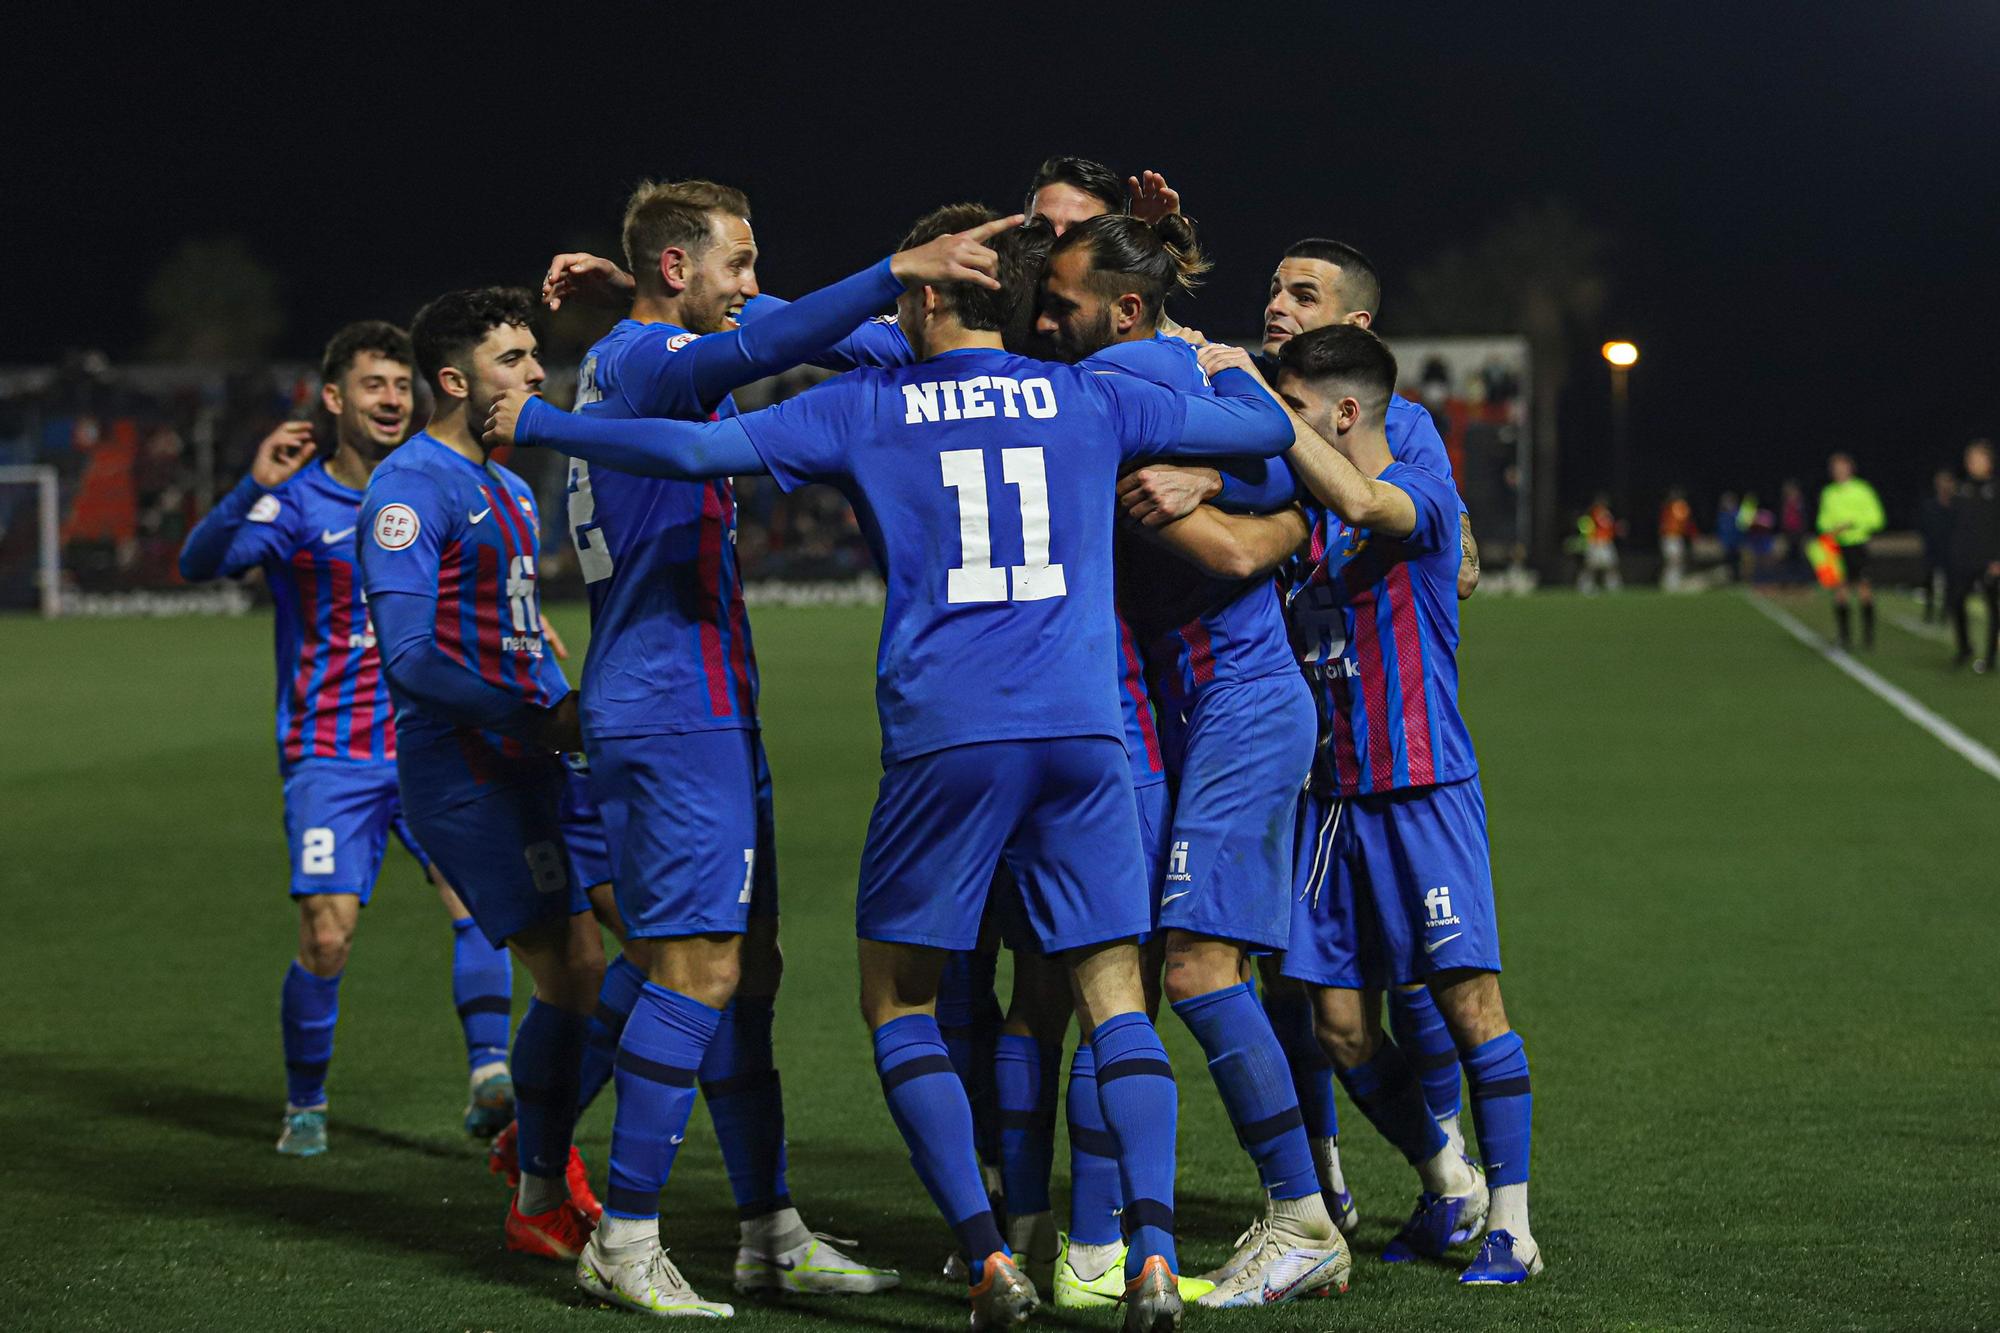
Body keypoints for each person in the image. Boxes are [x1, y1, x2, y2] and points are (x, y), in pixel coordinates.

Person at [489, 201, 1298, 1333]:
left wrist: (543, 422)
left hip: (945, 738)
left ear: (922, 294)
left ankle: (984, 1261)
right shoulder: (1092, 393)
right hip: (1080, 731)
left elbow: (690, 444)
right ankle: (1150, 1257)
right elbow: (1260, 440)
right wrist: (1229, 370)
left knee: (896, 998)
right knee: (1115, 994)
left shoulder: (870, 404)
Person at [539, 180, 1022, 1314]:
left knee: (745, 976)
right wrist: (897, 271)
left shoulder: (633, 355)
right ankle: (626, 1235)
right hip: (670, 709)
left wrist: (654, 293)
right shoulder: (653, 364)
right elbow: (788, 336)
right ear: (676, 270)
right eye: (739, 261)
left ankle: (765, 1226)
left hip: (699, 702)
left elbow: (790, 336)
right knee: (694, 971)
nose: (753, 284)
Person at [1143, 325, 1539, 1284]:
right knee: (1339, 1026)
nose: (1272, 424)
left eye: (1292, 407)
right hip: (1328, 799)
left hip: (1420, 786)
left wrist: (1249, 392)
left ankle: (1514, 1228)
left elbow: (1364, 497)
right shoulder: (1307, 515)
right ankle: (1448, 1178)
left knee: (1469, 1002)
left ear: (1345, 413)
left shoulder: (1417, 491)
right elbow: (1274, 519)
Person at [1114, 235, 1477, 1213]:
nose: (1274, 302)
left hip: (1382, 742)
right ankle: (1324, 1178)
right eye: (1271, 284)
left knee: (1404, 982)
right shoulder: (1242, 395)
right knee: (1293, 987)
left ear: (1354, 329)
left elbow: (1443, 548)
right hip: (1280, 730)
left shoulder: (1397, 428)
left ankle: (1442, 1170)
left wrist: (1237, 487)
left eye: (1300, 291)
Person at [1036, 214, 1349, 1309]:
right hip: (1180, 715)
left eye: (1059, 297)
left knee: (1180, 973)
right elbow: (1281, 486)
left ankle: (1299, 1211)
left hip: (1240, 706)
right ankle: (1095, 1247)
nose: (1043, 320)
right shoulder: (1182, 361)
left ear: (1118, 302)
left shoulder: (1123, 372)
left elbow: (1255, 515)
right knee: (1119, 979)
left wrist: (1203, 489)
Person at [177, 321, 518, 1156]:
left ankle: (489, 1075)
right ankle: (305, 1101)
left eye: (402, 385)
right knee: (327, 935)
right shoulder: (295, 505)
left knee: (483, 903)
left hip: (430, 737)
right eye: (374, 385)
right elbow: (202, 562)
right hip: (332, 755)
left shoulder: (433, 484)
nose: (393, 399)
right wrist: (248, 487)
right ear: (334, 399)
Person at [355, 287, 607, 1262]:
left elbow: (511, 628)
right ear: (455, 380)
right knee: (577, 968)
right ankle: (541, 1179)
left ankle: (535, 1139)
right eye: (514, 358)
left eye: (535, 354)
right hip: (471, 769)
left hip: (545, 752)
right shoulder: (408, 488)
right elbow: (410, 659)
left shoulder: (505, 483)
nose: (538, 372)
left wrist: (567, 705)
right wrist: (532, 715)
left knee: (686, 949)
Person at [1817, 453, 1886, 648]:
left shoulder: (1863, 490)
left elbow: (1877, 519)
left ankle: (1868, 637)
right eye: (1835, 468)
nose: (1839, 471)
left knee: (1865, 589)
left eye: (1842, 467)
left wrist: (1853, 524)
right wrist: (1833, 529)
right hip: (1837, 547)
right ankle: (1844, 636)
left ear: (1850, 468)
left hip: (1858, 545)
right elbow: (1822, 522)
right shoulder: (1828, 493)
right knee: (1840, 590)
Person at [1949, 440, 2000, 671]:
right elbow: (1958, 526)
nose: (1973, 463)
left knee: (1993, 608)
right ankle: (1964, 648)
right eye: (1970, 459)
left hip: (1990, 560)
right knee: (1956, 601)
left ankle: (1989, 659)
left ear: (1989, 461)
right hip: (1964, 559)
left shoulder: (1996, 488)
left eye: (1978, 458)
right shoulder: (1961, 489)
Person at [1920, 467, 1956, 624]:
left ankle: (1945, 614)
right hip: (1933, 549)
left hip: (1951, 549)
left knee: (1950, 583)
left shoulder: (1957, 506)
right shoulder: (1930, 506)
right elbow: (1923, 526)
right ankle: (1929, 612)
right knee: (1929, 581)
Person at [1578, 494, 1621, 594]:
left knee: (1611, 565)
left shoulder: (1606, 513)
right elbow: (1586, 526)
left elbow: (1609, 527)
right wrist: (1589, 538)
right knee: (1591, 566)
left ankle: (1613, 586)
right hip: (1596, 542)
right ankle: (1584, 586)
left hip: (1606, 542)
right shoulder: (1594, 512)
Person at [1658, 488, 1695, 592]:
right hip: (1671, 537)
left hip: (1674, 537)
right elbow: (1683, 520)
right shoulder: (1674, 507)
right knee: (1674, 561)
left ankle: (1673, 582)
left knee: (1675, 561)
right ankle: (1670, 583)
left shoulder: (1671, 507)